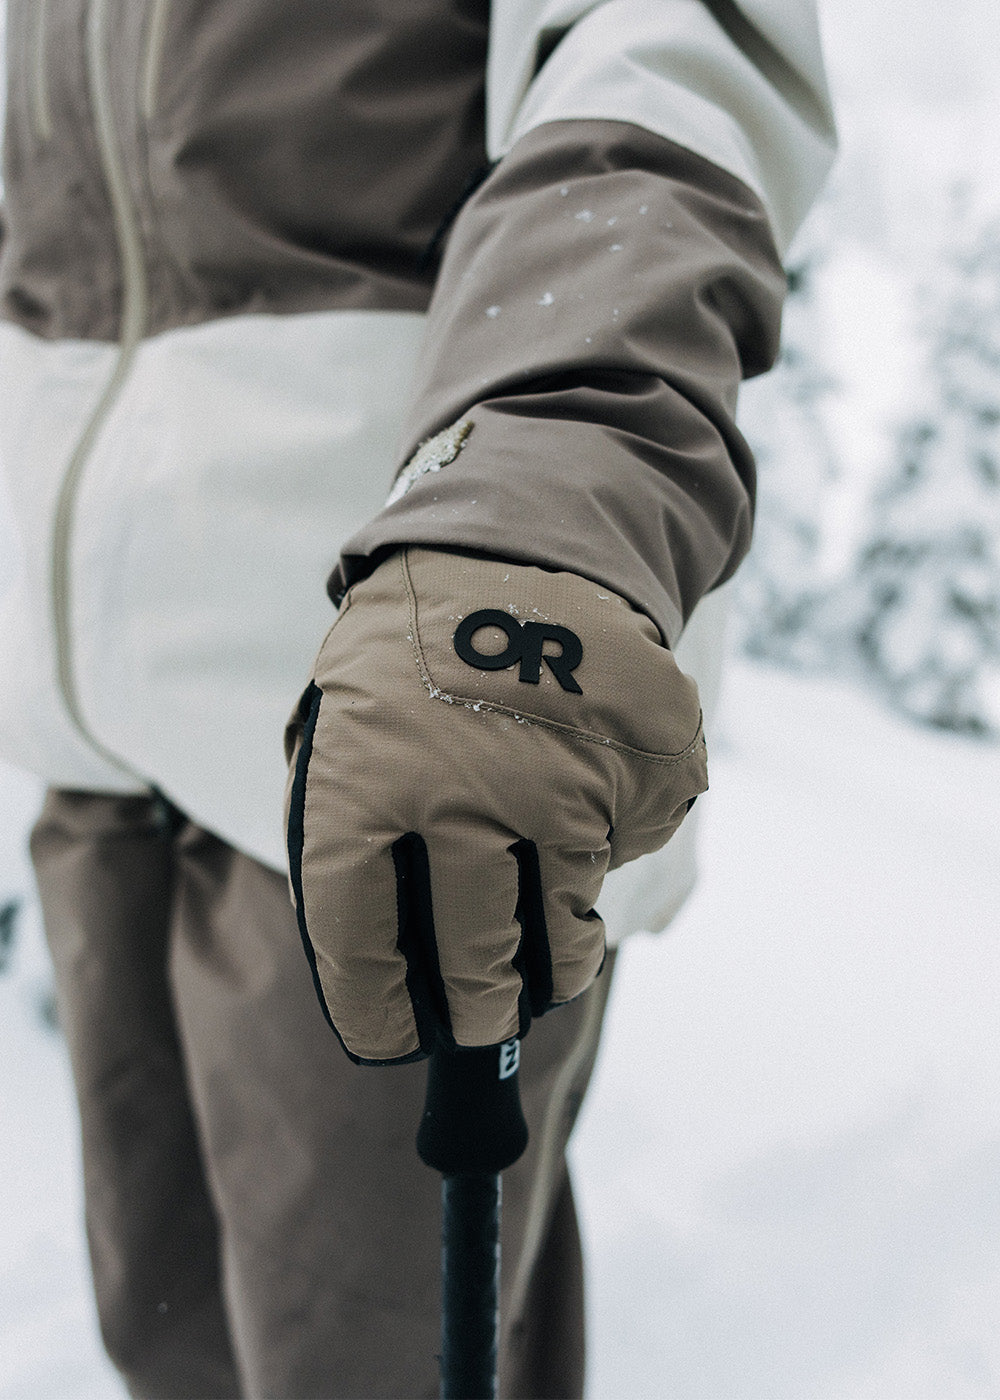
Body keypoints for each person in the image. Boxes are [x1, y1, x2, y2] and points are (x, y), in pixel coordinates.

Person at [0, 2, 836, 1395]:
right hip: (91, 742)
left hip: (401, 758)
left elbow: (657, 77)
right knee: (169, 1345)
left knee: (364, 1363)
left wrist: (541, 506)